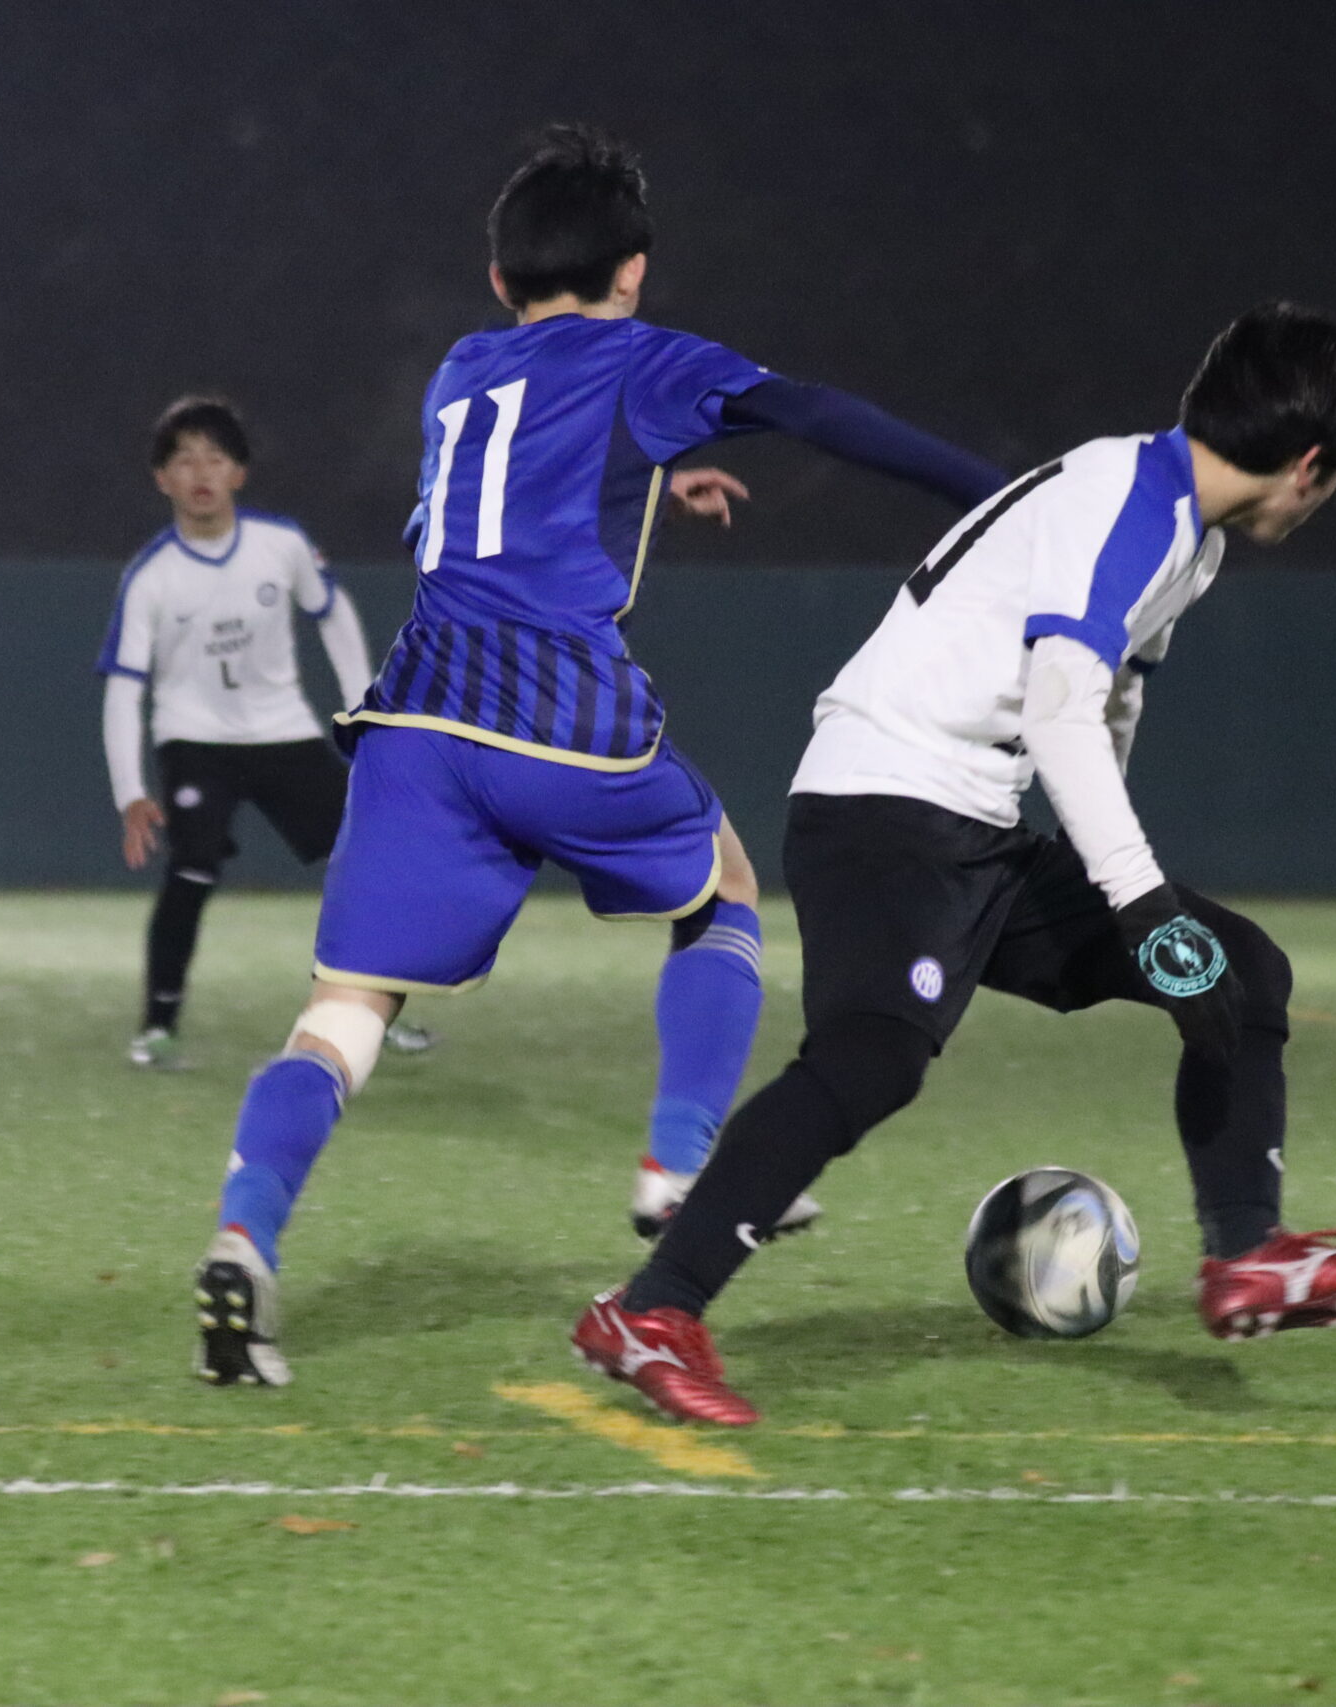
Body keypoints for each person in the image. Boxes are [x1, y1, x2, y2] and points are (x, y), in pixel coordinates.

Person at [190, 125, 1007, 1387]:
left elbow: (469, 512)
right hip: (555, 705)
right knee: (723, 887)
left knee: (342, 1014)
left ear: (499, 278)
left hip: (419, 723)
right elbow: (813, 413)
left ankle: (243, 1240)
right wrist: (995, 494)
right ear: (633, 271)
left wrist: (647, 482)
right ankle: (680, 1160)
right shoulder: (644, 357)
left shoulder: (461, 370)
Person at [574, 304, 1336, 1427]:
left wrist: (1116, 893)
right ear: (1311, 465)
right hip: (885, 805)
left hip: (969, 823)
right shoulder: (1135, 504)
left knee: (1238, 970)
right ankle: (653, 1307)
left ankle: (1247, 1254)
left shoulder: (1185, 531)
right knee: (870, 1059)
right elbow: (1062, 708)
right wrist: (1141, 904)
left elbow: (1111, 704)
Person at [101, 396, 436, 1068]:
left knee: (364, 859)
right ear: (162, 479)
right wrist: (130, 790)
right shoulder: (151, 577)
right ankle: (158, 1025)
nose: (201, 472)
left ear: (239, 473)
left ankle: (373, 1012)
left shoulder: (280, 545)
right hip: (194, 740)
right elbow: (124, 686)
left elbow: (332, 613)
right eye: (183, 460)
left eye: (215, 458)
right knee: (192, 865)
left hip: (284, 733)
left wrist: (363, 711)